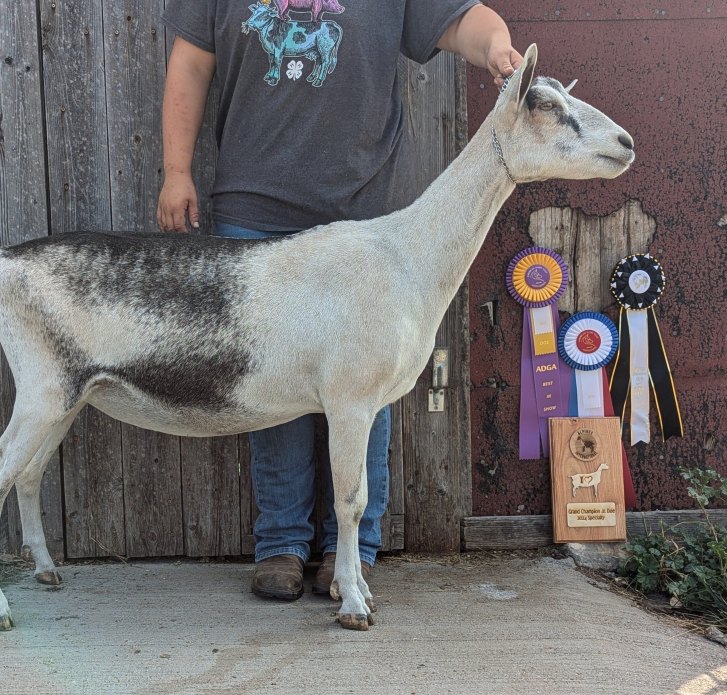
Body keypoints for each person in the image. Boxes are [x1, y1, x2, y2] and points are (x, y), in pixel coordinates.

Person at [158, 0, 522, 601]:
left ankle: (351, 548)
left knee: (364, 385)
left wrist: (497, 47)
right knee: (268, 383)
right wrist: (176, 170)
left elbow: (460, 20)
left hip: (363, 217)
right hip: (255, 211)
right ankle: (281, 542)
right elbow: (192, 63)